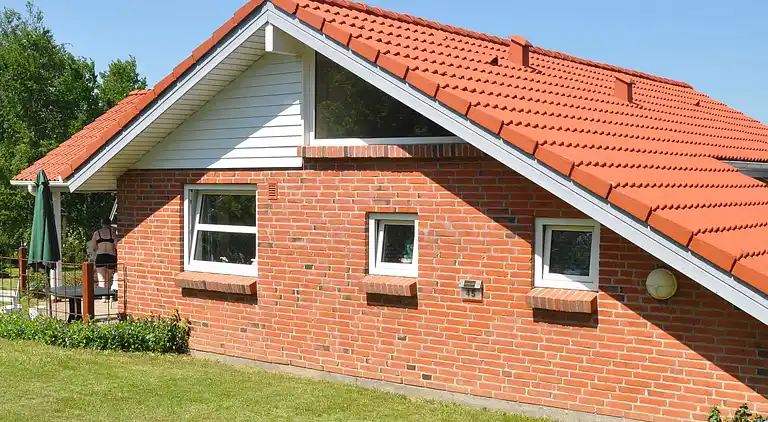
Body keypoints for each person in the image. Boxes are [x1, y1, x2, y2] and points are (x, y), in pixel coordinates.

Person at [89, 217, 117, 302]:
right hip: (111, 256)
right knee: (108, 277)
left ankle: (103, 297)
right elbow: (116, 246)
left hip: (100, 256)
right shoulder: (113, 233)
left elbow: (93, 247)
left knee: (101, 278)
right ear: (109, 224)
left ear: (102, 224)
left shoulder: (97, 233)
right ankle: (108, 296)